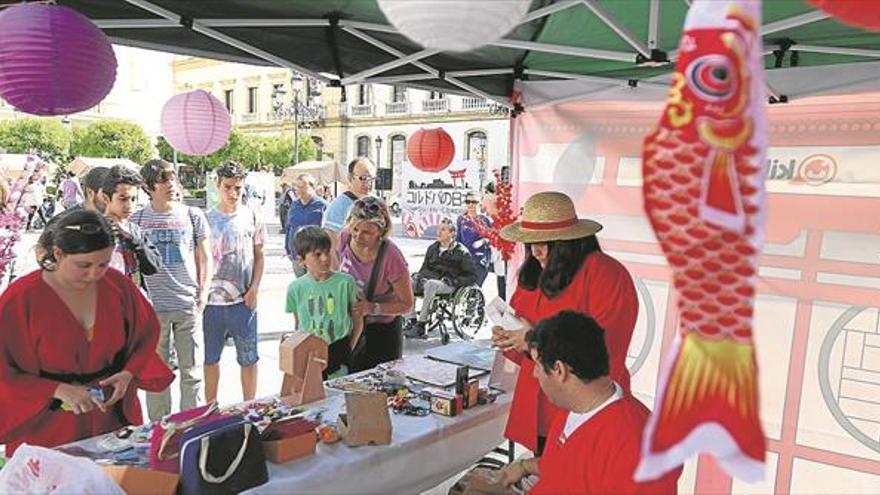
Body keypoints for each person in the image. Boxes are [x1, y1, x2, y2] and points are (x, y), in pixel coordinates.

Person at [0, 209, 173, 455]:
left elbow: (145, 335)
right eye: (83, 265)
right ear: (58, 254)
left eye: (103, 263)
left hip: (111, 415)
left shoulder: (118, 285)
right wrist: (55, 389)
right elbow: (3, 368)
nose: (94, 274)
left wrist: (128, 373)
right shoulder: (20, 299)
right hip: (47, 424)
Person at [492, 191, 638, 454]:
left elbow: (603, 351)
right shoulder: (533, 275)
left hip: (584, 407)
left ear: (571, 241)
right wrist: (511, 339)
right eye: (530, 243)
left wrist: (533, 339)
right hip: (537, 404)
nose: (536, 251)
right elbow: (524, 352)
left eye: (547, 242)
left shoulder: (605, 273)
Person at [496, 311, 681, 494]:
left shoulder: (635, 447)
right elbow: (564, 466)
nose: (534, 374)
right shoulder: (575, 407)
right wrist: (523, 467)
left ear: (559, 370)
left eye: (537, 365)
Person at [132, 159, 211, 421]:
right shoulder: (138, 218)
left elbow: (206, 257)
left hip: (187, 304)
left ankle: (192, 424)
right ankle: (159, 427)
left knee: (192, 373)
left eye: (172, 179)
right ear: (148, 186)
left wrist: (203, 293)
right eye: (163, 180)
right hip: (153, 309)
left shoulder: (192, 215)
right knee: (157, 374)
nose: (171, 185)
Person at [203, 162, 265, 404]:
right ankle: (211, 407)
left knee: (249, 357)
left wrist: (255, 289)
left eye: (238, 187)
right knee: (211, 359)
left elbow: (259, 255)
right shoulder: (205, 219)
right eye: (228, 187)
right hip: (212, 303)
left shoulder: (252, 216)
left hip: (243, 300)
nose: (233, 193)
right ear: (217, 185)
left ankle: (249, 405)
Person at [337, 196, 413, 371]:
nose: (358, 235)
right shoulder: (344, 237)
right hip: (350, 325)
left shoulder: (392, 257)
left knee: (380, 390)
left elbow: (407, 305)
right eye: (355, 228)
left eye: (367, 232)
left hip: (382, 332)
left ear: (381, 232)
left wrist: (372, 308)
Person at [285, 226, 363, 379]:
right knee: (312, 397)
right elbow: (298, 324)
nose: (325, 259)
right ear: (301, 260)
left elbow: (357, 320)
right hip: (310, 354)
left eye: (327, 252)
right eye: (317, 254)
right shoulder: (295, 288)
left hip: (339, 352)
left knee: (338, 397)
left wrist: (348, 348)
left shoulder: (345, 282)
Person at [405, 217, 477, 339]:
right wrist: (419, 276)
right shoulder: (432, 248)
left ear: (452, 233)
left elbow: (472, 276)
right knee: (409, 282)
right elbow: (424, 268)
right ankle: (411, 321)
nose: (439, 232)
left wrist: (455, 281)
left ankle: (422, 325)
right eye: (439, 229)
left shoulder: (461, 252)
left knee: (431, 284)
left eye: (443, 230)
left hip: (449, 283)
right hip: (430, 280)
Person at [99, 165, 160, 285]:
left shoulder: (134, 230)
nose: (129, 205)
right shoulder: (93, 229)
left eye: (133, 199)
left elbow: (154, 266)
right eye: (123, 199)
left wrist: (133, 241)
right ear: (106, 198)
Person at [323, 157, 376, 268]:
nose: (368, 183)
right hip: (349, 270)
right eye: (363, 178)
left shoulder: (377, 203)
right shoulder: (338, 206)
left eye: (372, 178)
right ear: (350, 178)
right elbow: (331, 247)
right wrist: (339, 277)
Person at [285, 173, 327, 277]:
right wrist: (288, 249)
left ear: (312, 187)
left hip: (315, 256)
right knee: (301, 288)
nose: (298, 190)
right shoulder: (294, 206)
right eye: (296, 187)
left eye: (302, 186)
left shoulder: (322, 206)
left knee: (315, 288)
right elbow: (289, 228)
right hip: (297, 256)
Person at [456, 191, 492, 286]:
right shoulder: (461, 219)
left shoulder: (485, 220)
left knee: (475, 288)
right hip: (464, 259)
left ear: (479, 203)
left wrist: (483, 241)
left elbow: (492, 239)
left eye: (474, 202)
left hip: (480, 259)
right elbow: (458, 239)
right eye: (468, 202)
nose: (471, 205)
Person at [481, 181, 507, 299]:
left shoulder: (495, 202)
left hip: (503, 256)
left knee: (503, 284)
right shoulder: (496, 216)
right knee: (501, 283)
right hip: (499, 257)